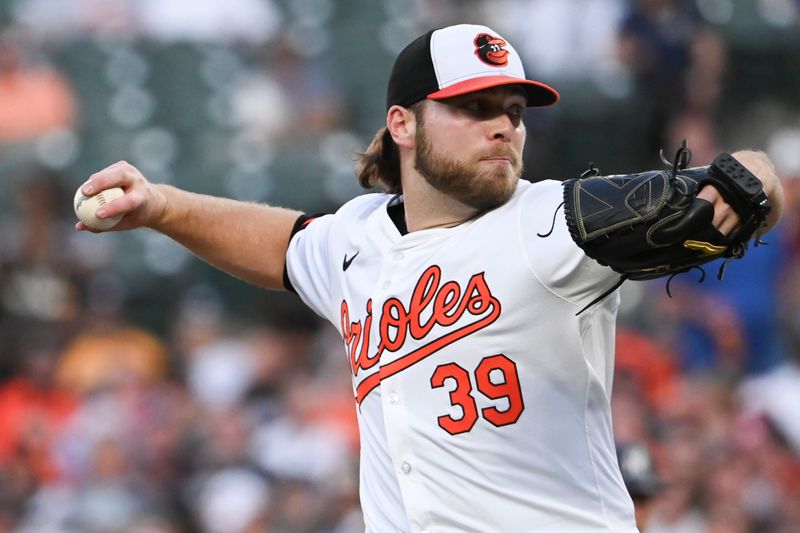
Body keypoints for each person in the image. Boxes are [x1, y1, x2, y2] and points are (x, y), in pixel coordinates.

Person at [76, 24, 783, 533]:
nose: (502, 127)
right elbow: (285, 246)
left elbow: (735, 189)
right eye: (472, 108)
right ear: (402, 124)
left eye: (512, 112)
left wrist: (760, 178)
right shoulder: (357, 239)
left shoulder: (556, 223)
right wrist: (165, 207)